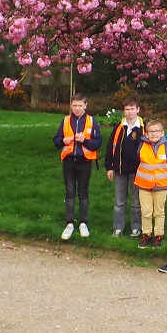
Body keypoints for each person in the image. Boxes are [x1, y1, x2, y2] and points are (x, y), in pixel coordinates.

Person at [52, 93, 102, 240]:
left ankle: (83, 222)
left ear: (85, 106)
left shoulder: (92, 121)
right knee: (69, 192)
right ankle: (69, 223)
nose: (77, 108)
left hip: (85, 162)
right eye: (74, 105)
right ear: (71, 106)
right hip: (68, 162)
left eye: (80, 105)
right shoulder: (66, 120)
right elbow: (56, 140)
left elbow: (98, 143)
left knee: (83, 193)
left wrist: (85, 141)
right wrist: (63, 140)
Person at [136, 119, 167, 249]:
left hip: (161, 185)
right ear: (146, 133)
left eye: (157, 131)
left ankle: (158, 235)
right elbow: (135, 159)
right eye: (151, 132)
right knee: (146, 211)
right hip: (144, 184)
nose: (154, 134)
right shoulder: (141, 145)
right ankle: (146, 234)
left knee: (159, 211)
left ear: (162, 133)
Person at [104, 97, 144, 238]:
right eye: (127, 109)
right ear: (124, 111)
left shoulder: (143, 129)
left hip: (137, 171)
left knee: (136, 201)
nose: (130, 112)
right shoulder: (118, 128)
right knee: (119, 201)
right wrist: (109, 167)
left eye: (132, 108)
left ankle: (136, 227)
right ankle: (118, 227)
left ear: (138, 110)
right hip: (120, 170)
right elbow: (110, 148)